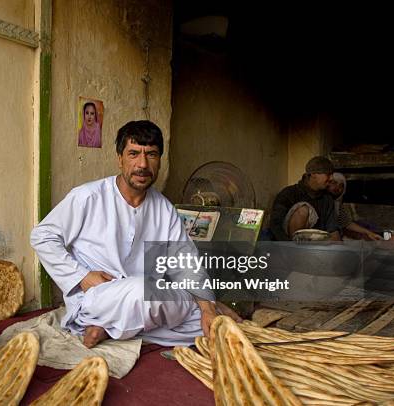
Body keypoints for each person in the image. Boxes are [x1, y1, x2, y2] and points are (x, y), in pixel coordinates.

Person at [31, 120, 240, 348]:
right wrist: (81, 276)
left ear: (160, 160)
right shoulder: (88, 197)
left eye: (151, 154)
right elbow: (43, 236)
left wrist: (208, 307)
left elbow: (185, 263)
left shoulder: (164, 209)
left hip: (149, 299)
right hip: (101, 297)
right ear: (119, 158)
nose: (142, 164)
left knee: (203, 318)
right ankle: (112, 323)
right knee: (143, 290)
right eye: (133, 154)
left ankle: (111, 329)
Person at [269, 156, 340, 241]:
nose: (331, 178)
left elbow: (332, 229)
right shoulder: (289, 193)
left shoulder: (327, 199)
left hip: (316, 248)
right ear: (313, 174)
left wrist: (339, 249)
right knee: (303, 210)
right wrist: (288, 247)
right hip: (291, 247)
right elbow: (276, 225)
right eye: (328, 174)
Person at [327, 173, 382, 241]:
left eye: (341, 186)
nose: (337, 187)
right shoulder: (322, 201)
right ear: (327, 183)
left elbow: (346, 222)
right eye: (334, 183)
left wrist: (369, 232)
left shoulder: (337, 204)